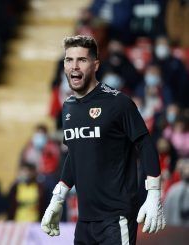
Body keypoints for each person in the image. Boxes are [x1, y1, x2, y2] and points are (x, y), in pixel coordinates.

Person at [41, 35, 166, 245]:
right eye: (69, 60)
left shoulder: (118, 103)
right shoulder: (68, 107)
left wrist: (153, 194)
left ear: (95, 64)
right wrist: (58, 197)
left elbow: (145, 145)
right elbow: (75, 154)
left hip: (116, 218)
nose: (74, 66)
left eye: (82, 60)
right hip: (85, 221)